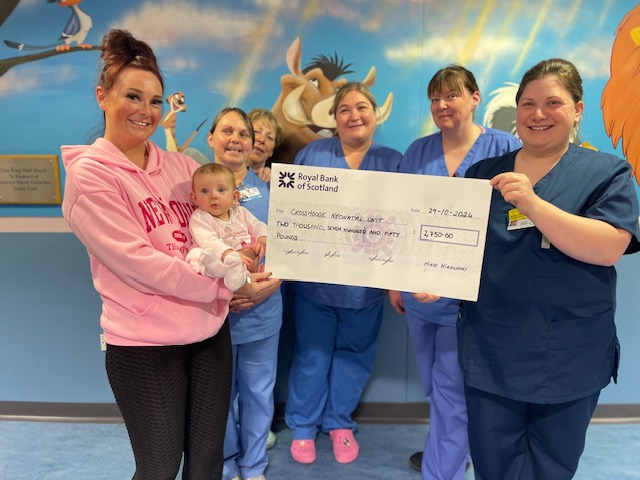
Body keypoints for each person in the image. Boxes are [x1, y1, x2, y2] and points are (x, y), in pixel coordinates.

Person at [60, 30, 276, 480]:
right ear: (103, 96)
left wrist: (255, 255)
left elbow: (220, 228)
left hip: (209, 334)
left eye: (156, 101)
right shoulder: (90, 177)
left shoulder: (181, 169)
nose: (146, 111)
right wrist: (229, 282)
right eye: (133, 96)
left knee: (205, 463)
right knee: (159, 467)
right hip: (145, 346)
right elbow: (141, 264)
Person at [414, 58, 639, 480]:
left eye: (553, 102)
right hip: (490, 349)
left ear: (577, 110)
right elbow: (460, 248)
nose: (538, 114)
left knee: (552, 464)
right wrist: (436, 279)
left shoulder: (607, 173)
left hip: (569, 354)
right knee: (493, 463)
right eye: (527, 103)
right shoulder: (483, 175)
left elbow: (610, 247)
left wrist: (533, 204)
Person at [388, 65, 521, 479]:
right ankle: (451, 448)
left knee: (452, 392)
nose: (442, 105)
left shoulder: (506, 148)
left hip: (472, 298)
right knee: (436, 386)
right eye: (435, 98)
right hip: (419, 294)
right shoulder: (417, 152)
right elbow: (398, 217)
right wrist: (396, 281)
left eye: (452, 95)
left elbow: (517, 220)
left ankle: (441, 469)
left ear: (475, 98)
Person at [285, 82, 402, 465]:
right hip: (313, 285)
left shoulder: (394, 161)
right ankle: (303, 427)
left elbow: (406, 223)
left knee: (354, 357)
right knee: (312, 356)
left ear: (376, 113)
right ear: (334, 118)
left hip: (365, 288)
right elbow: (292, 210)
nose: (355, 115)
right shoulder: (312, 154)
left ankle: (339, 424)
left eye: (363, 107)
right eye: (345, 109)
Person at [207, 107, 283, 480]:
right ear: (211, 139)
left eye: (243, 133)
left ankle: (253, 466)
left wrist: (265, 290)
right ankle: (224, 462)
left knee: (257, 393)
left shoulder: (273, 186)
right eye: (226, 131)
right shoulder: (194, 188)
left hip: (264, 312)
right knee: (218, 397)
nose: (235, 139)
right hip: (212, 315)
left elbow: (290, 247)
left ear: (254, 145)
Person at [186, 162, 268, 291]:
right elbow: (207, 240)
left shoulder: (240, 212)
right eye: (205, 191)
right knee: (196, 255)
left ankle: (239, 276)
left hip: (245, 259)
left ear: (234, 196)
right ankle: (221, 271)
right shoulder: (200, 218)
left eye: (221, 190)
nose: (213, 196)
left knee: (258, 251)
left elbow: (257, 225)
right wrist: (228, 254)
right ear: (194, 198)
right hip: (219, 258)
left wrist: (262, 238)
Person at [247, 108, 286, 183]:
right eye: (256, 132)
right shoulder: (222, 174)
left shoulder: (275, 184)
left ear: (272, 152)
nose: (261, 140)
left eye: (269, 137)